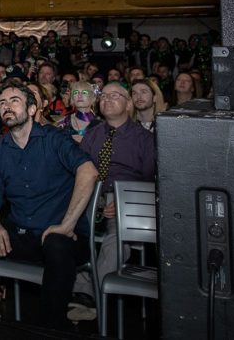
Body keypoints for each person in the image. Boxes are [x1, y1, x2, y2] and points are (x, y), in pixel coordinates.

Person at [0, 84, 98, 329]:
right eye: (3, 102)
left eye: (15, 100)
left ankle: (51, 329)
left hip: (61, 237)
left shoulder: (54, 139)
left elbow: (88, 171)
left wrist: (67, 224)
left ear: (31, 109)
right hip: (21, 235)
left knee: (57, 243)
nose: (7, 106)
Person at [68, 83, 156, 322]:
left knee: (116, 236)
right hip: (92, 194)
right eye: (104, 95)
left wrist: (124, 202)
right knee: (68, 222)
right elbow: (81, 170)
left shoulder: (145, 140)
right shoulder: (93, 135)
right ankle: (68, 283)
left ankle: (86, 291)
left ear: (128, 104)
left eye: (114, 96)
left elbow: (151, 183)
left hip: (127, 199)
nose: (107, 99)